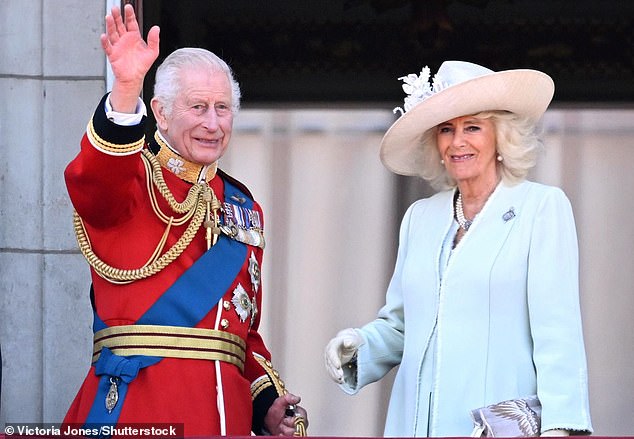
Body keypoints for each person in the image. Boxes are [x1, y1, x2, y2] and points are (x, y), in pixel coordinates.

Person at [63, 5, 307, 436]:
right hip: (138, 411)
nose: (212, 123)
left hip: (225, 421)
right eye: (197, 107)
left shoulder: (242, 206)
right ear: (160, 111)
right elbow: (94, 180)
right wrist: (124, 88)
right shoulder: (132, 179)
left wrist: (266, 405)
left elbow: (240, 335)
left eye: (222, 108)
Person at [324, 61, 593, 437]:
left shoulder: (541, 208)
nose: (457, 141)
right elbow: (402, 325)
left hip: (497, 429)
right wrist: (360, 345)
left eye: (472, 127)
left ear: (501, 135)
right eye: (446, 129)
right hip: (415, 426)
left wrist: (560, 428)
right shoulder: (421, 217)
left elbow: (558, 334)